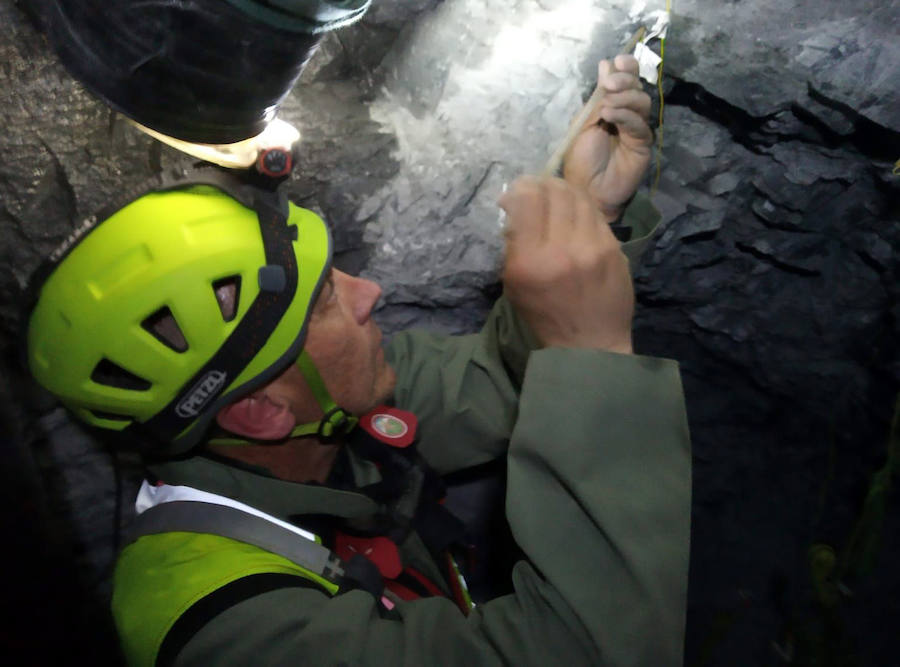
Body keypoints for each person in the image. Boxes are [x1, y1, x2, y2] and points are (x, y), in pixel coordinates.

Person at [25, 56, 690, 666]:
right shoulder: (237, 637)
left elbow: (492, 380)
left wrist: (589, 211)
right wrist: (590, 353)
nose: (368, 293)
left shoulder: (316, 411)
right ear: (260, 411)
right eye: (321, 306)